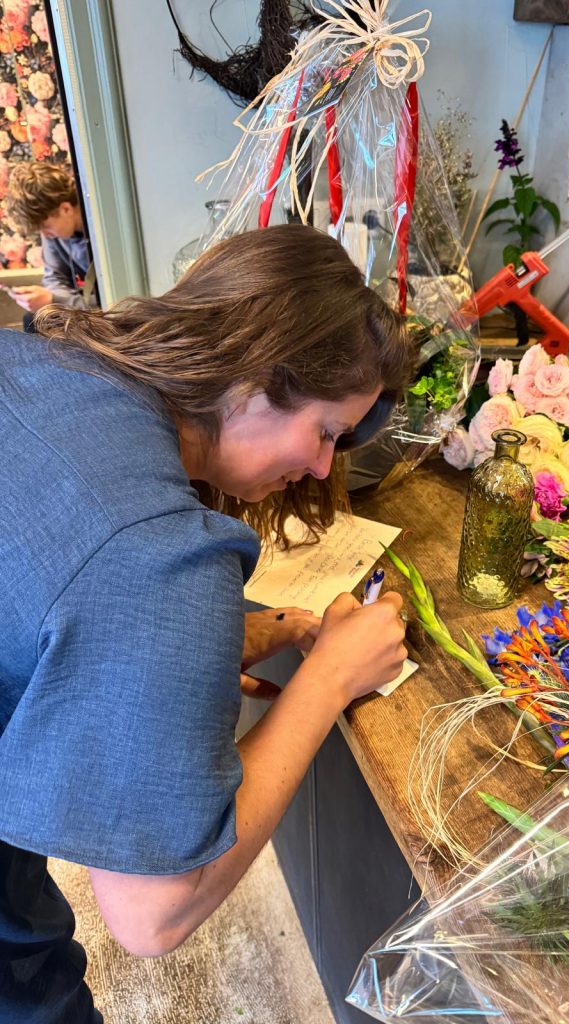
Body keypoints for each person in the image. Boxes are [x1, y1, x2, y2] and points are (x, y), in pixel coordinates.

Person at [0, 224, 413, 1023]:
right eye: (325, 432)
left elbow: (45, 595)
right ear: (257, 377)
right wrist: (328, 679)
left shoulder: (45, 356)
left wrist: (204, 648)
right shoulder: (158, 557)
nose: (326, 467)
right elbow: (153, 913)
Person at [3, 162, 97, 328]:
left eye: (46, 227)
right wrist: (53, 301)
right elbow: (54, 278)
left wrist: (55, 300)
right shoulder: (55, 230)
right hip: (82, 308)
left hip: (113, 311)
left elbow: (113, 301)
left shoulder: (101, 231)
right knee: (32, 320)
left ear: (65, 209)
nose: (45, 235)